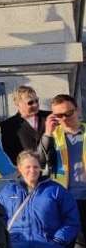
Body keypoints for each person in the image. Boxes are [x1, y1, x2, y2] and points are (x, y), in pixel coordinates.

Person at [38, 93, 86, 227]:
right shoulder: (51, 135)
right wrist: (48, 133)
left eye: (68, 113)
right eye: (59, 116)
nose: (64, 119)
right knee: (65, 243)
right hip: (62, 197)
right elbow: (41, 162)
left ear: (78, 110)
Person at [0, 85, 48, 164]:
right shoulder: (8, 125)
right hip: (28, 170)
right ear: (18, 104)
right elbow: (10, 153)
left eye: (36, 101)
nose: (35, 105)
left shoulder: (49, 116)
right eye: (30, 102)